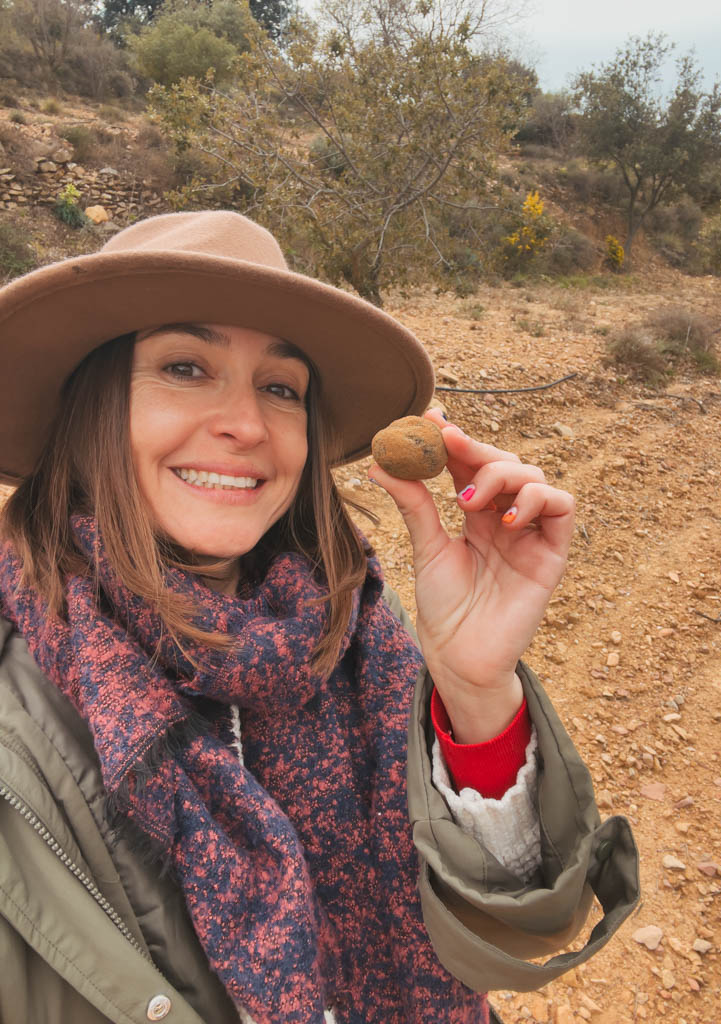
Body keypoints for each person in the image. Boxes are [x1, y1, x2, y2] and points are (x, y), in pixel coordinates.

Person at [0, 211, 638, 1024]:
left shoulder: (349, 627)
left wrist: (477, 692)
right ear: (92, 407)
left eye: (280, 387)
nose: (248, 424)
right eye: (186, 367)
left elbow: (518, 921)